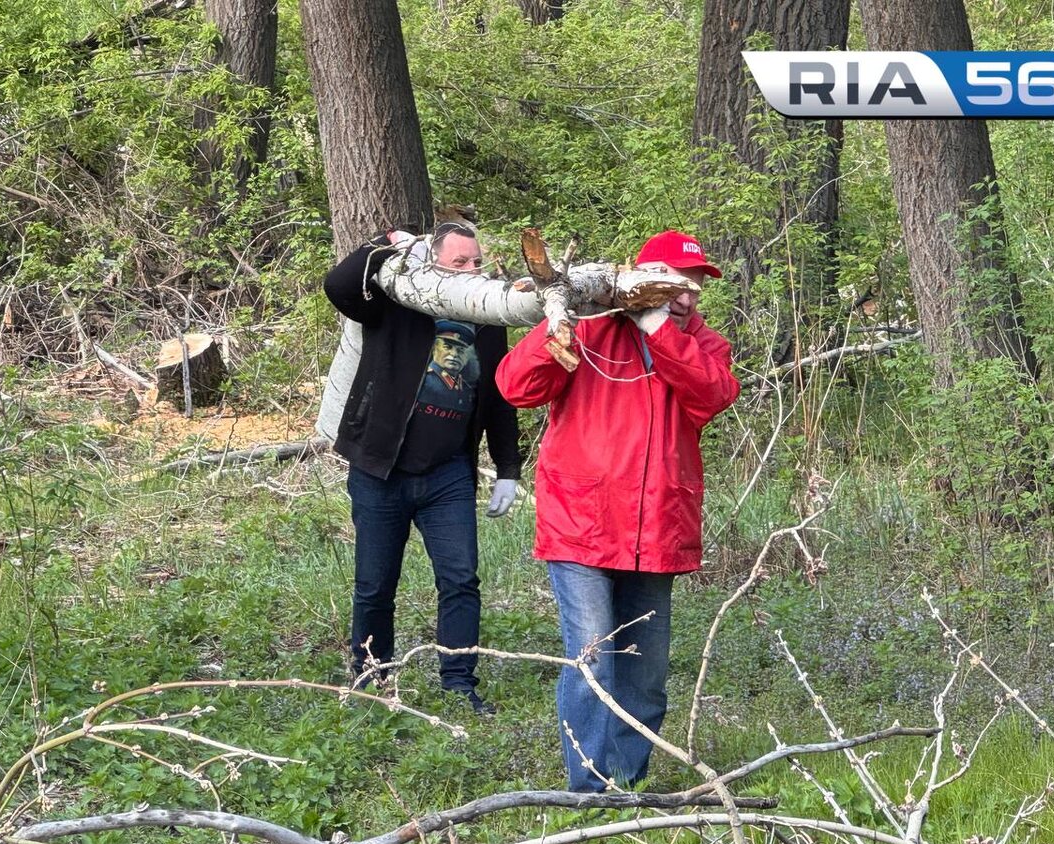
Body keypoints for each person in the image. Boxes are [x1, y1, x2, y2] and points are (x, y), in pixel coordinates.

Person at [495, 229, 740, 790]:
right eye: (675, 285)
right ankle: (587, 794)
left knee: (645, 674)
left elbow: (712, 394)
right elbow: (514, 386)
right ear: (641, 281)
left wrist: (658, 329)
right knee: (593, 664)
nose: (687, 298)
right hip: (581, 525)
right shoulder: (589, 330)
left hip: (657, 530)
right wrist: (561, 320)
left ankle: (625, 784)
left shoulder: (704, 345)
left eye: (695, 288)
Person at [316, 222, 520, 714]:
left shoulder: (488, 318)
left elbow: (498, 395)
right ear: (433, 261)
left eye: (477, 262)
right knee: (374, 583)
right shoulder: (396, 301)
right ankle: (371, 674)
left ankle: (458, 682)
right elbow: (339, 286)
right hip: (380, 468)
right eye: (459, 262)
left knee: (460, 580)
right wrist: (386, 246)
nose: (472, 271)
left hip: (448, 473)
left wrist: (508, 467)